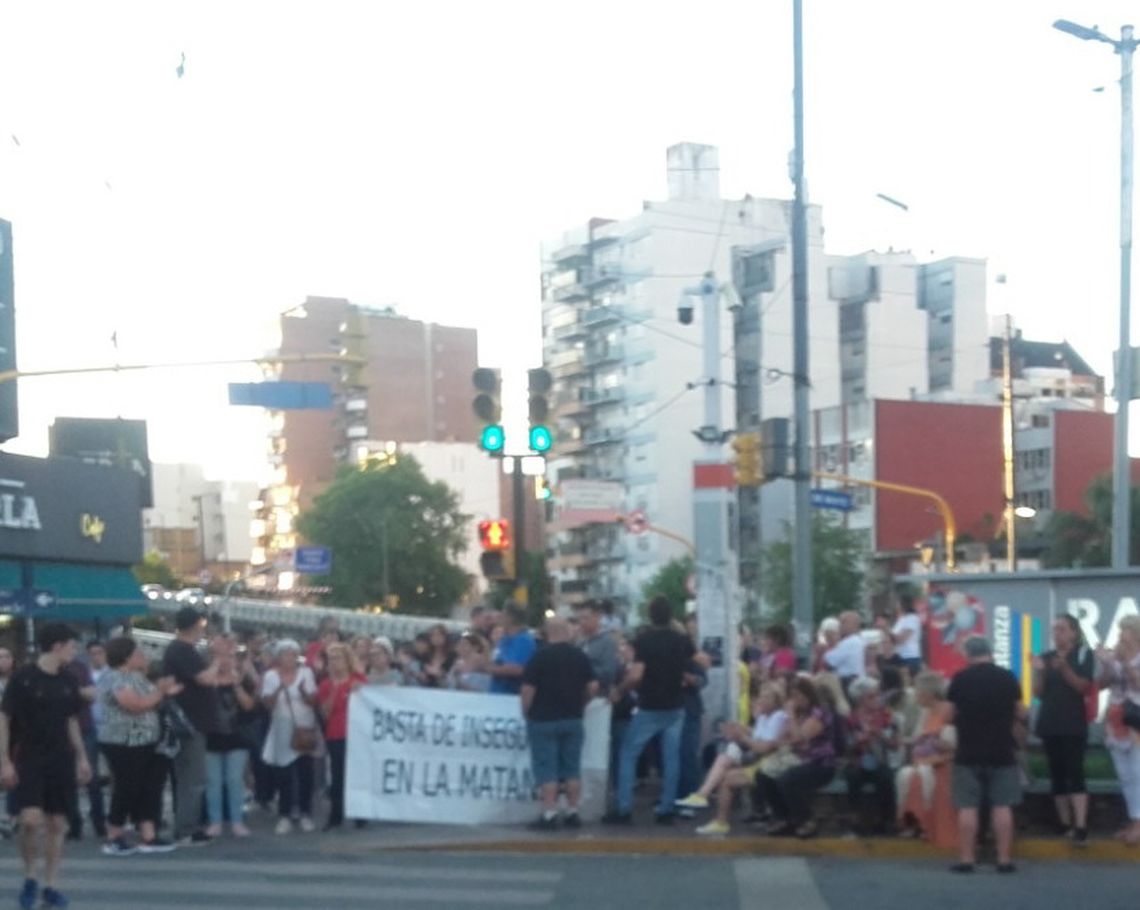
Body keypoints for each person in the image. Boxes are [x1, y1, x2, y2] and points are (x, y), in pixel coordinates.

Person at [0, 623, 92, 910]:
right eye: (71, 646)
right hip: (28, 756)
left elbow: (71, 720)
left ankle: (50, 884)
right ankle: (30, 876)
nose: (74, 652)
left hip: (61, 758)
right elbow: (4, 718)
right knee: (29, 820)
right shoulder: (23, 679)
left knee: (57, 823)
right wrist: (4, 760)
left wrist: (82, 757)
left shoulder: (68, 680)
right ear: (57, 646)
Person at [604, 596, 694, 825]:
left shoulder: (644, 641)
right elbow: (700, 661)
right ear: (670, 615)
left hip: (649, 706)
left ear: (650, 615)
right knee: (671, 757)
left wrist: (620, 690)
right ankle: (666, 808)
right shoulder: (681, 640)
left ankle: (624, 808)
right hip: (675, 705)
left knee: (628, 754)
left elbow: (636, 675)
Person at [946, 635, 1025, 874]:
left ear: (968, 654)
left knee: (967, 807)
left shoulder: (960, 679)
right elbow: (1020, 712)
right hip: (1002, 749)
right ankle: (1003, 859)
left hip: (968, 750)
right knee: (1002, 806)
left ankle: (967, 858)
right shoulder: (1007, 677)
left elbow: (949, 715)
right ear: (990, 653)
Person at [97, 636, 180, 855]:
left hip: (146, 741)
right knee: (126, 787)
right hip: (124, 741)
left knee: (148, 787)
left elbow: (150, 699)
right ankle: (113, 834)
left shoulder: (136, 677)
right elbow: (135, 705)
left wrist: (161, 691)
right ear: (126, 657)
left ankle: (148, 834)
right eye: (138, 654)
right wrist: (160, 692)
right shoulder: (117, 678)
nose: (143, 657)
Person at [520, 618, 597, 829]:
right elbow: (592, 687)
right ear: (567, 632)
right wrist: (582, 703)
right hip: (572, 718)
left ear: (548, 633)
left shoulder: (539, 657)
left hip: (543, 719)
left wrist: (527, 711)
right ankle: (573, 811)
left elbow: (528, 690)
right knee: (571, 768)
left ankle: (549, 813)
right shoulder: (580, 656)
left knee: (547, 770)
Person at [685, 682, 788, 834]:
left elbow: (764, 747)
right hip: (760, 760)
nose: (760, 701)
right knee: (725, 759)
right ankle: (704, 796)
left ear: (775, 701)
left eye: (765, 698)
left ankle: (716, 814)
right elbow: (758, 738)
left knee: (726, 777)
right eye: (760, 697)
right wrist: (742, 731)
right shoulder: (765, 717)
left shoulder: (779, 717)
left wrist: (742, 737)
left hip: (770, 764)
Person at [1032, 614, 1095, 844]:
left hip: (1073, 723)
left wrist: (1065, 668)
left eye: (1061, 629)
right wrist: (1039, 671)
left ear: (1073, 632)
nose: (1057, 633)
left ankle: (1080, 824)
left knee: (1075, 772)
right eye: (1054, 629)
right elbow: (1038, 692)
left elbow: (1083, 687)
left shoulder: (1083, 654)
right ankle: (1064, 822)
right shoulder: (1046, 657)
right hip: (1050, 722)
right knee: (1056, 773)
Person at [162, 606, 221, 847]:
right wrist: (217, 659)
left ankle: (188, 824)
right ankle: (186, 828)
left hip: (194, 721)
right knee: (192, 777)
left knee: (191, 776)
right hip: (190, 723)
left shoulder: (184, 650)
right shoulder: (181, 650)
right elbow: (205, 678)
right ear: (195, 625)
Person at [755, 677, 837, 839]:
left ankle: (806, 819)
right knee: (763, 775)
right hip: (798, 758)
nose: (796, 700)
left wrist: (791, 716)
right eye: (793, 696)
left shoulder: (819, 713)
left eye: (799, 696)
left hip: (820, 763)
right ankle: (782, 816)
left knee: (787, 780)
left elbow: (800, 737)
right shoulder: (800, 714)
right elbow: (785, 737)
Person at [260, 639, 319, 834]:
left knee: (305, 773)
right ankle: (284, 814)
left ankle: (305, 813)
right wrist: (279, 689)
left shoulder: (306, 673)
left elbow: (313, 701)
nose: (289, 658)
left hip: (304, 729)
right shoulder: (270, 676)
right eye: (285, 654)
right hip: (282, 730)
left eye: (293, 654)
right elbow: (267, 704)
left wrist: (302, 692)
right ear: (279, 657)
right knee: (284, 774)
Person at [896, 671, 957, 849]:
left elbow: (951, 742)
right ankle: (915, 821)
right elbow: (918, 737)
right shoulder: (925, 712)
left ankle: (924, 824)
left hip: (945, 762)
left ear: (928, 693)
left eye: (917, 691)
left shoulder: (948, 710)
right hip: (925, 760)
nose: (915, 695)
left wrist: (935, 746)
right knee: (907, 776)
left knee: (918, 778)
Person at [205, 637, 257, 838]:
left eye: (229, 656)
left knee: (235, 779)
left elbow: (249, 706)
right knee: (213, 780)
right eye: (219, 656)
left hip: (237, 735)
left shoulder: (242, 680)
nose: (225, 660)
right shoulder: (206, 679)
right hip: (212, 735)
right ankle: (215, 821)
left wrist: (236, 685)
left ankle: (237, 820)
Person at [1096, 614, 1140, 845]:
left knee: (1138, 774)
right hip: (1116, 722)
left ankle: (1138, 824)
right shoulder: (1116, 656)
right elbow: (1102, 685)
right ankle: (1134, 821)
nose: (1121, 634)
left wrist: (1123, 663)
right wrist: (1106, 663)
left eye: (1125, 629)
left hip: (1136, 723)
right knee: (1126, 777)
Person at [316, 643, 366, 831]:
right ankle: (335, 815)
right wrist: (335, 689)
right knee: (337, 776)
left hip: (357, 733)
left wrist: (359, 689)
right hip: (335, 734)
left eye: (339, 658)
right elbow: (325, 713)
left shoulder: (358, 680)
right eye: (332, 659)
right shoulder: (326, 685)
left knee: (357, 774)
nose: (335, 662)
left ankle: (360, 814)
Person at [844, 676, 899, 835]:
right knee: (853, 775)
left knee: (885, 777)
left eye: (877, 694)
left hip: (881, 759)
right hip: (858, 760)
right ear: (860, 699)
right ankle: (856, 819)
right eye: (871, 696)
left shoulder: (886, 716)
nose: (877, 699)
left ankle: (887, 820)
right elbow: (845, 748)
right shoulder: (851, 719)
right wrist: (858, 741)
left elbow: (895, 745)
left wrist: (879, 734)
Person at [64, 648, 105, 841]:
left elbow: (91, 693)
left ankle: (99, 822)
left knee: (92, 777)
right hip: (60, 731)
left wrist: (72, 690)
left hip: (85, 726)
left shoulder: (79, 668)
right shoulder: (47, 670)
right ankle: (74, 824)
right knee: (67, 780)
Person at [487, 606, 536, 696]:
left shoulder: (523, 640)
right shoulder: (504, 639)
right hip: (496, 694)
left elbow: (517, 669)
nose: (500, 618)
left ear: (510, 619)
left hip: (511, 696)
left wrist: (486, 668)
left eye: (503, 615)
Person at [575, 600, 620, 696]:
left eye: (586, 618)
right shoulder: (578, 642)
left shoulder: (607, 642)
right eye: (580, 619)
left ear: (598, 617)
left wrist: (583, 669)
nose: (582, 622)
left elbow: (609, 673)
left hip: (599, 697)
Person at [823, 612, 866, 689]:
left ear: (853, 625)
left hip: (848, 682)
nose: (839, 626)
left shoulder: (851, 642)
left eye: (843, 622)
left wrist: (828, 646)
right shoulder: (857, 640)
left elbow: (829, 661)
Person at [890, 597, 924, 676]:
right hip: (899, 656)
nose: (896, 606)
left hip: (910, 656)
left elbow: (901, 639)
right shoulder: (901, 619)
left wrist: (887, 630)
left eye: (897, 604)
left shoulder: (912, 618)